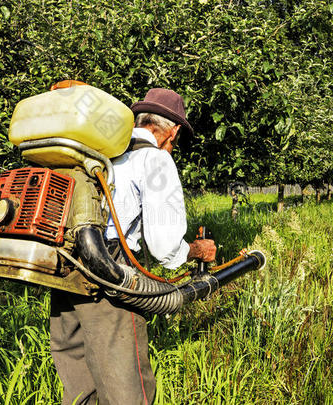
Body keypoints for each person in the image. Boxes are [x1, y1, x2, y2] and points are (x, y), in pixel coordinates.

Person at [49, 88, 216, 405]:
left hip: (62, 270)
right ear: (173, 132)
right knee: (126, 392)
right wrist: (196, 251)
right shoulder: (154, 160)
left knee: (78, 390)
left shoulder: (98, 154)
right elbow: (165, 246)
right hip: (108, 273)